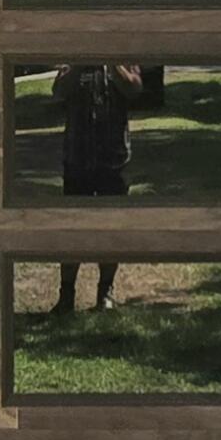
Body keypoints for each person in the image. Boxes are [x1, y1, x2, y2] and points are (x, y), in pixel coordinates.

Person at [50, 61, 141, 311]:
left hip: (114, 160)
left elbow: (135, 89)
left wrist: (113, 64)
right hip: (78, 158)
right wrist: (80, 64)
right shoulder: (74, 59)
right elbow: (58, 91)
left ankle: (105, 293)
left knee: (110, 228)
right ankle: (66, 296)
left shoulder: (123, 57)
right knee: (73, 230)